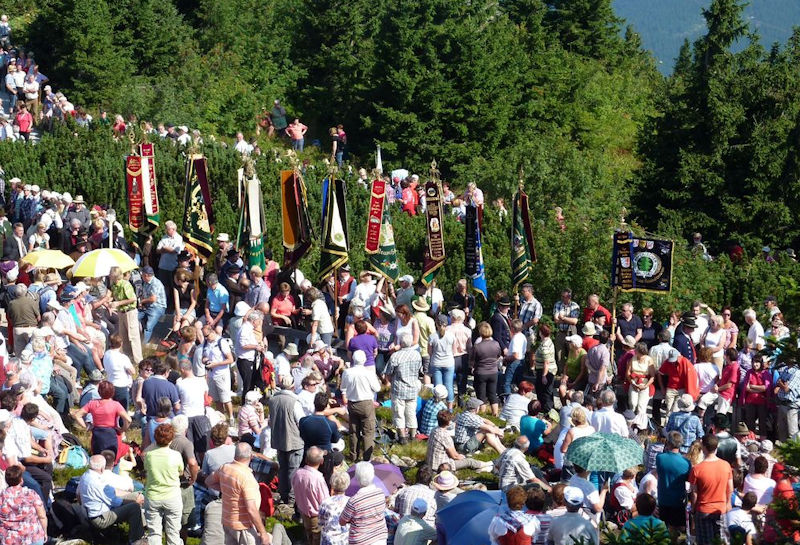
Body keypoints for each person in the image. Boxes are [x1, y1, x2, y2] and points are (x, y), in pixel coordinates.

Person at [205, 442, 272, 545]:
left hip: (228, 521)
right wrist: (263, 533)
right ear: (251, 456)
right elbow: (251, 509)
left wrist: (228, 490)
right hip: (243, 526)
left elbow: (208, 481)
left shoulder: (225, 468)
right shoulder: (247, 478)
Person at [77, 455, 146, 544]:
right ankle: (136, 540)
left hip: (94, 513)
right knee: (134, 507)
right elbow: (116, 502)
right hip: (101, 518)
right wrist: (135, 501)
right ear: (102, 468)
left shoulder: (86, 476)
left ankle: (142, 528)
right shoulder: (99, 483)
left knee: (135, 496)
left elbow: (112, 492)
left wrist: (131, 496)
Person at [688, 435, 734, 545]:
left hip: (703, 510)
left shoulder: (697, 469)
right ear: (716, 447)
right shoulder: (726, 465)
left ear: (703, 447)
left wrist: (693, 509)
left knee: (705, 542)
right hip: (721, 509)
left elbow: (694, 493)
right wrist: (728, 504)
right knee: (721, 541)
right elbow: (730, 488)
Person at [144, 423, 184, 545]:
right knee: (173, 532)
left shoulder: (149, 455)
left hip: (153, 497)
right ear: (171, 439)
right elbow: (181, 471)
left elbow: (146, 469)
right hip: (172, 496)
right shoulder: (176, 455)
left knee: (154, 533)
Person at [267, 375, 304, 505]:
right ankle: (292, 499)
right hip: (294, 440)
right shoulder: (294, 402)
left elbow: (270, 420)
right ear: (293, 386)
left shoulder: (273, 399)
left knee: (282, 469)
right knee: (293, 470)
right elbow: (301, 421)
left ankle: (283, 496)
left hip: (278, 439)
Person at [341, 350, 381, 461]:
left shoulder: (347, 372)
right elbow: (377, 388)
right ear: (364, 360)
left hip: (352, 403)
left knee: (354, 431)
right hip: (366, 403)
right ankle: (367, 458)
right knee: (368, 432)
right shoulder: (368, 373)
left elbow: (343, 387)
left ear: (353, 359)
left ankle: (353, 456)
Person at [74, 380, 131, 456]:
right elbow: (128, 419)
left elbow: (77, 415)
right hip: (111, 433)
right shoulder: (116, 405)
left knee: (98, 456)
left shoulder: (92, 403)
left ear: (99, 392)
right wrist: (122, 429)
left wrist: (87, 426)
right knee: (112, 456)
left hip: (97, 433)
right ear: (113, 392)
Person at [383, 333, 422, 443]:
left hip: (398, 389)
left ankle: (402, 437)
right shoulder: (417, 355)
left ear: (400, 343)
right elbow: (420, 370)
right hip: (413, 388)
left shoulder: (395, 356)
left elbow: (388, 373)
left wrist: (390, 382)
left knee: (399, 413)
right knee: (411, 413)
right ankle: (412, 436)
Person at [426, 409, 493, 472]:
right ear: (448, 423)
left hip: (430, 462)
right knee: (469, 461)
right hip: (441, 466)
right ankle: (487, 464)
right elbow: (455, 456)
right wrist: (462, 457)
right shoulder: (445, 436)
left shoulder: (434, 430)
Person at [339, 462, 388, 545]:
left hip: (361, 540)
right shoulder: (380, 493)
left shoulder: (354, 501)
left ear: (357, 478)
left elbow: (342, 522)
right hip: (380, 538)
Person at [656, 431, 691, 542]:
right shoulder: (686, 463)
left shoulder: (660, 458)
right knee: (675, 529)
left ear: (668, 442)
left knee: (663, 528)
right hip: (678, 500)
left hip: (663, 499)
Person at [0, 465, 48, 545]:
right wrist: (44, 532)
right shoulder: (31, 494)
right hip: (32, 537)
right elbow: (42, 516)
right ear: (21, 480)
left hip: (9, 539)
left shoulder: (2, 496)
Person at [292, 447, 330, 545]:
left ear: (306, 459)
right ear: (321, 461)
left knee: (308, 533)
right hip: (316, 515)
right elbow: (325, 501)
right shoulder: (318, 479)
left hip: (303, 511)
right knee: (317, 538)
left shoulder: (298, 473)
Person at [109, 266, 143, 364]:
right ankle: (128, 359)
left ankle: (138, 361)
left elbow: (133, 299)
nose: (109, 276)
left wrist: (118, 303)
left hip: (129, 312)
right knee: (124, 337)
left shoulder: (125, 284)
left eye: (111, 274)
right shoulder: (114, 285)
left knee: (133, 337)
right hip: (121, 312)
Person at [472, 322, 502, 415]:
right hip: (493, 372)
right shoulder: (496, 344)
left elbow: (473, 360)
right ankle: (495, 414)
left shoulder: (477, 346)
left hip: (481, 372)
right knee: (493, 394)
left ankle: (482, 414)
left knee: (481, 396)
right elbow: (498, 355)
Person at [627, 342, 656, 430]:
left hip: (644, 384)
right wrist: (632, 383)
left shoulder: (649, 360)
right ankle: (631, 423)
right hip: (634, 383)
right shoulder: (633, 358)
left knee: (641, 406)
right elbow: (628, 372)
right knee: (632, 403)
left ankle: (640, 427)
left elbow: (652, 376)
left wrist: (646, 386)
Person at [318, 471, 351, 545]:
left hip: (329, 540)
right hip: (345, 538)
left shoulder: (325, 502)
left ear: (332, 484)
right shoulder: (351, 502)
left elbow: (320, 522)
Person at [103, 335, 135, 409]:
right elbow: (132, 371)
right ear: (121, 344)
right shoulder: (123, 357)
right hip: (121, 386)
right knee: (122, 410)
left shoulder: (107, 354)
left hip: (110, 383)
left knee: (112, 409)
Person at [552, 289, 580, 367]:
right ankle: (561, 371)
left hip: (571, 332)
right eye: (562, 296)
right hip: (560, 332)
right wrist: (568, 319)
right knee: (559, 354)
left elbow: (574, 321)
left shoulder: (574, 306)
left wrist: (563, 318)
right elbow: (556, 320)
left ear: (569, 297)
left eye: (565, 296)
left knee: (572, 353)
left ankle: (571, 371)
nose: (563, 298)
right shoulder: (558, 304)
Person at [533, 324, 557, 412]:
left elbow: (546, 362)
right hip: (550, 369)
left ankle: (547, 410)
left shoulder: (544, 346)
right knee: (548, 391)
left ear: (540, 333)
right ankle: (549, 409)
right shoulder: (549, 341)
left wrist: (544, 376)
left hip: (545, 371)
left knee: (544, 392)